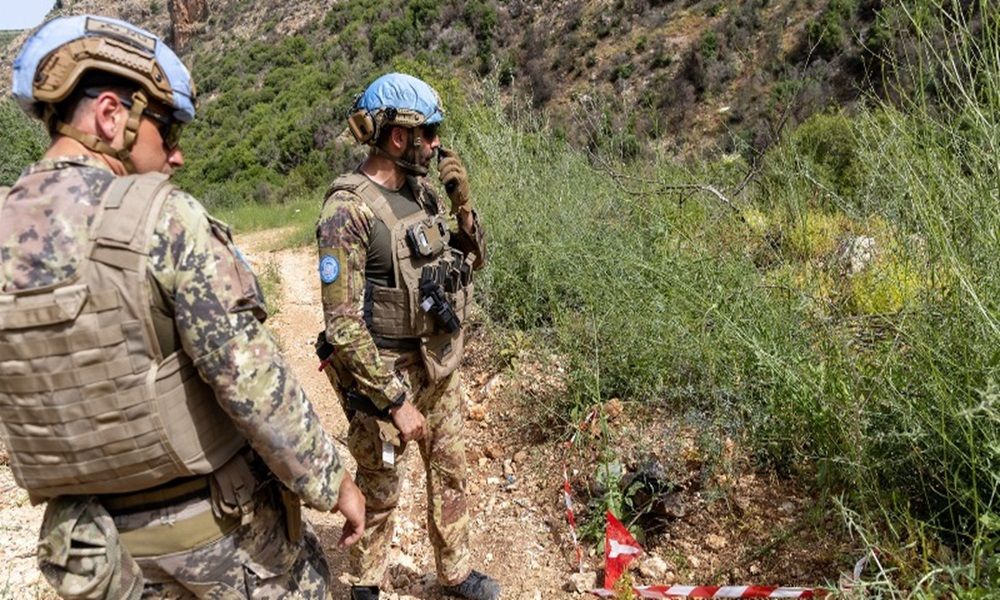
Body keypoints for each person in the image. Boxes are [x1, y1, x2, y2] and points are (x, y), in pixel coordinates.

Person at [0, 15, 364, 599]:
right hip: (218, 537)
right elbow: (253, 384)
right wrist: (333, 482)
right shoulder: (161, 219)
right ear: (111, 115)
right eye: (166, 132)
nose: (177, 156)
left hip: (96, 559)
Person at [316, 73, 500, 600]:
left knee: (451, 472)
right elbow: (342, 325)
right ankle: (365, 585)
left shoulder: (423, 192)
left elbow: (469, 263)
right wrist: (395, 402)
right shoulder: (347, 211)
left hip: (438, 365)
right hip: (384, 378)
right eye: (430, 133)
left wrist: (464, 208)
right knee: (380, 488)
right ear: (399, 136)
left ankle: (455, 573)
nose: (437, 144)